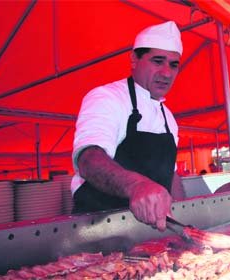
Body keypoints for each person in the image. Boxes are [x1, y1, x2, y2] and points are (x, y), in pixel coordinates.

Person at [71, 21, 183, 230]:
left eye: (173, 64)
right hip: (97, 231)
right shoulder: (107, 98)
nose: (167, 73)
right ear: (134, 59)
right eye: (157, 61)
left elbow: (172, 175)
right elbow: (88, 158)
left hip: (151, 233)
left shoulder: (168, 117)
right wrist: (136, 186)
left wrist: (185, 218)